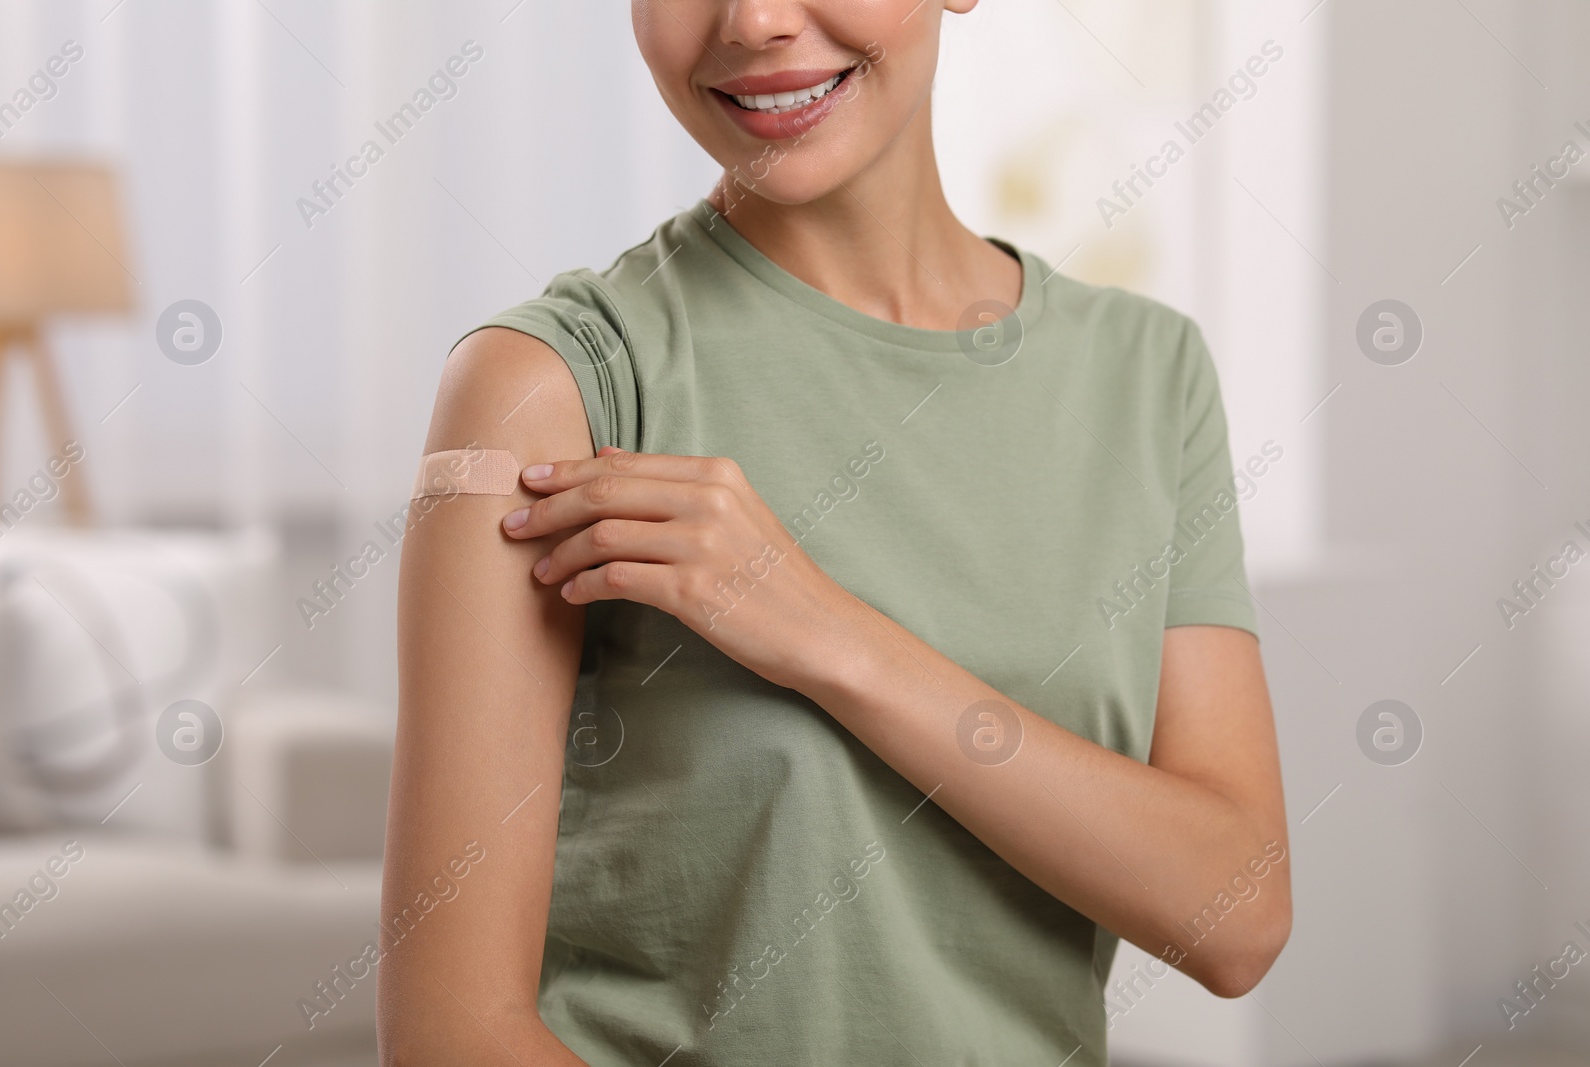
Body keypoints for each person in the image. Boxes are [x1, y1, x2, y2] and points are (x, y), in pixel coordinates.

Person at [379, 1, 1291, 1064]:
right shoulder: (551, 388)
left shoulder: (1146, 374)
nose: (755, 21)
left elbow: (1237, 916)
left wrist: (823, 633)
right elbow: (452, 1037)